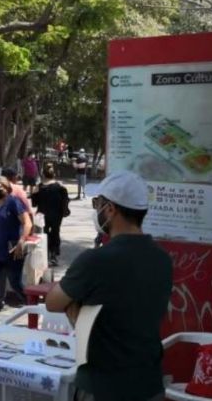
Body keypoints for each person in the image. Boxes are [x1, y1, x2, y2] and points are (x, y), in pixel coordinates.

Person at [46, 171, 171, 401]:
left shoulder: (95, 260)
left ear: (111, 209)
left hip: (103, 387)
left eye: (98, 204)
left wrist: (77, 309)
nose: (97, 210)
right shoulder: (163, 259)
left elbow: (53, 302)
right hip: (149, 384)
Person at [0, 177, 33, 310]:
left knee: (16, 284)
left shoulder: (13, 202)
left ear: (7, 188)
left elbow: (27, 223)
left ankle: (32, 307)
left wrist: (22, 241)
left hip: (12, 252)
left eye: (0, 187)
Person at [32, 165, 70, 266]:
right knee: (55, 232)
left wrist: (34, 193)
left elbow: (34, 204)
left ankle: (45, 255)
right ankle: (54, 255)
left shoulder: (39, 187)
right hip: (56, 215)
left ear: (43, 175)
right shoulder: (60, 187)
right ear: (54, 175)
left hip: (42, 216)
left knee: (43, 234)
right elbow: (65, 201)